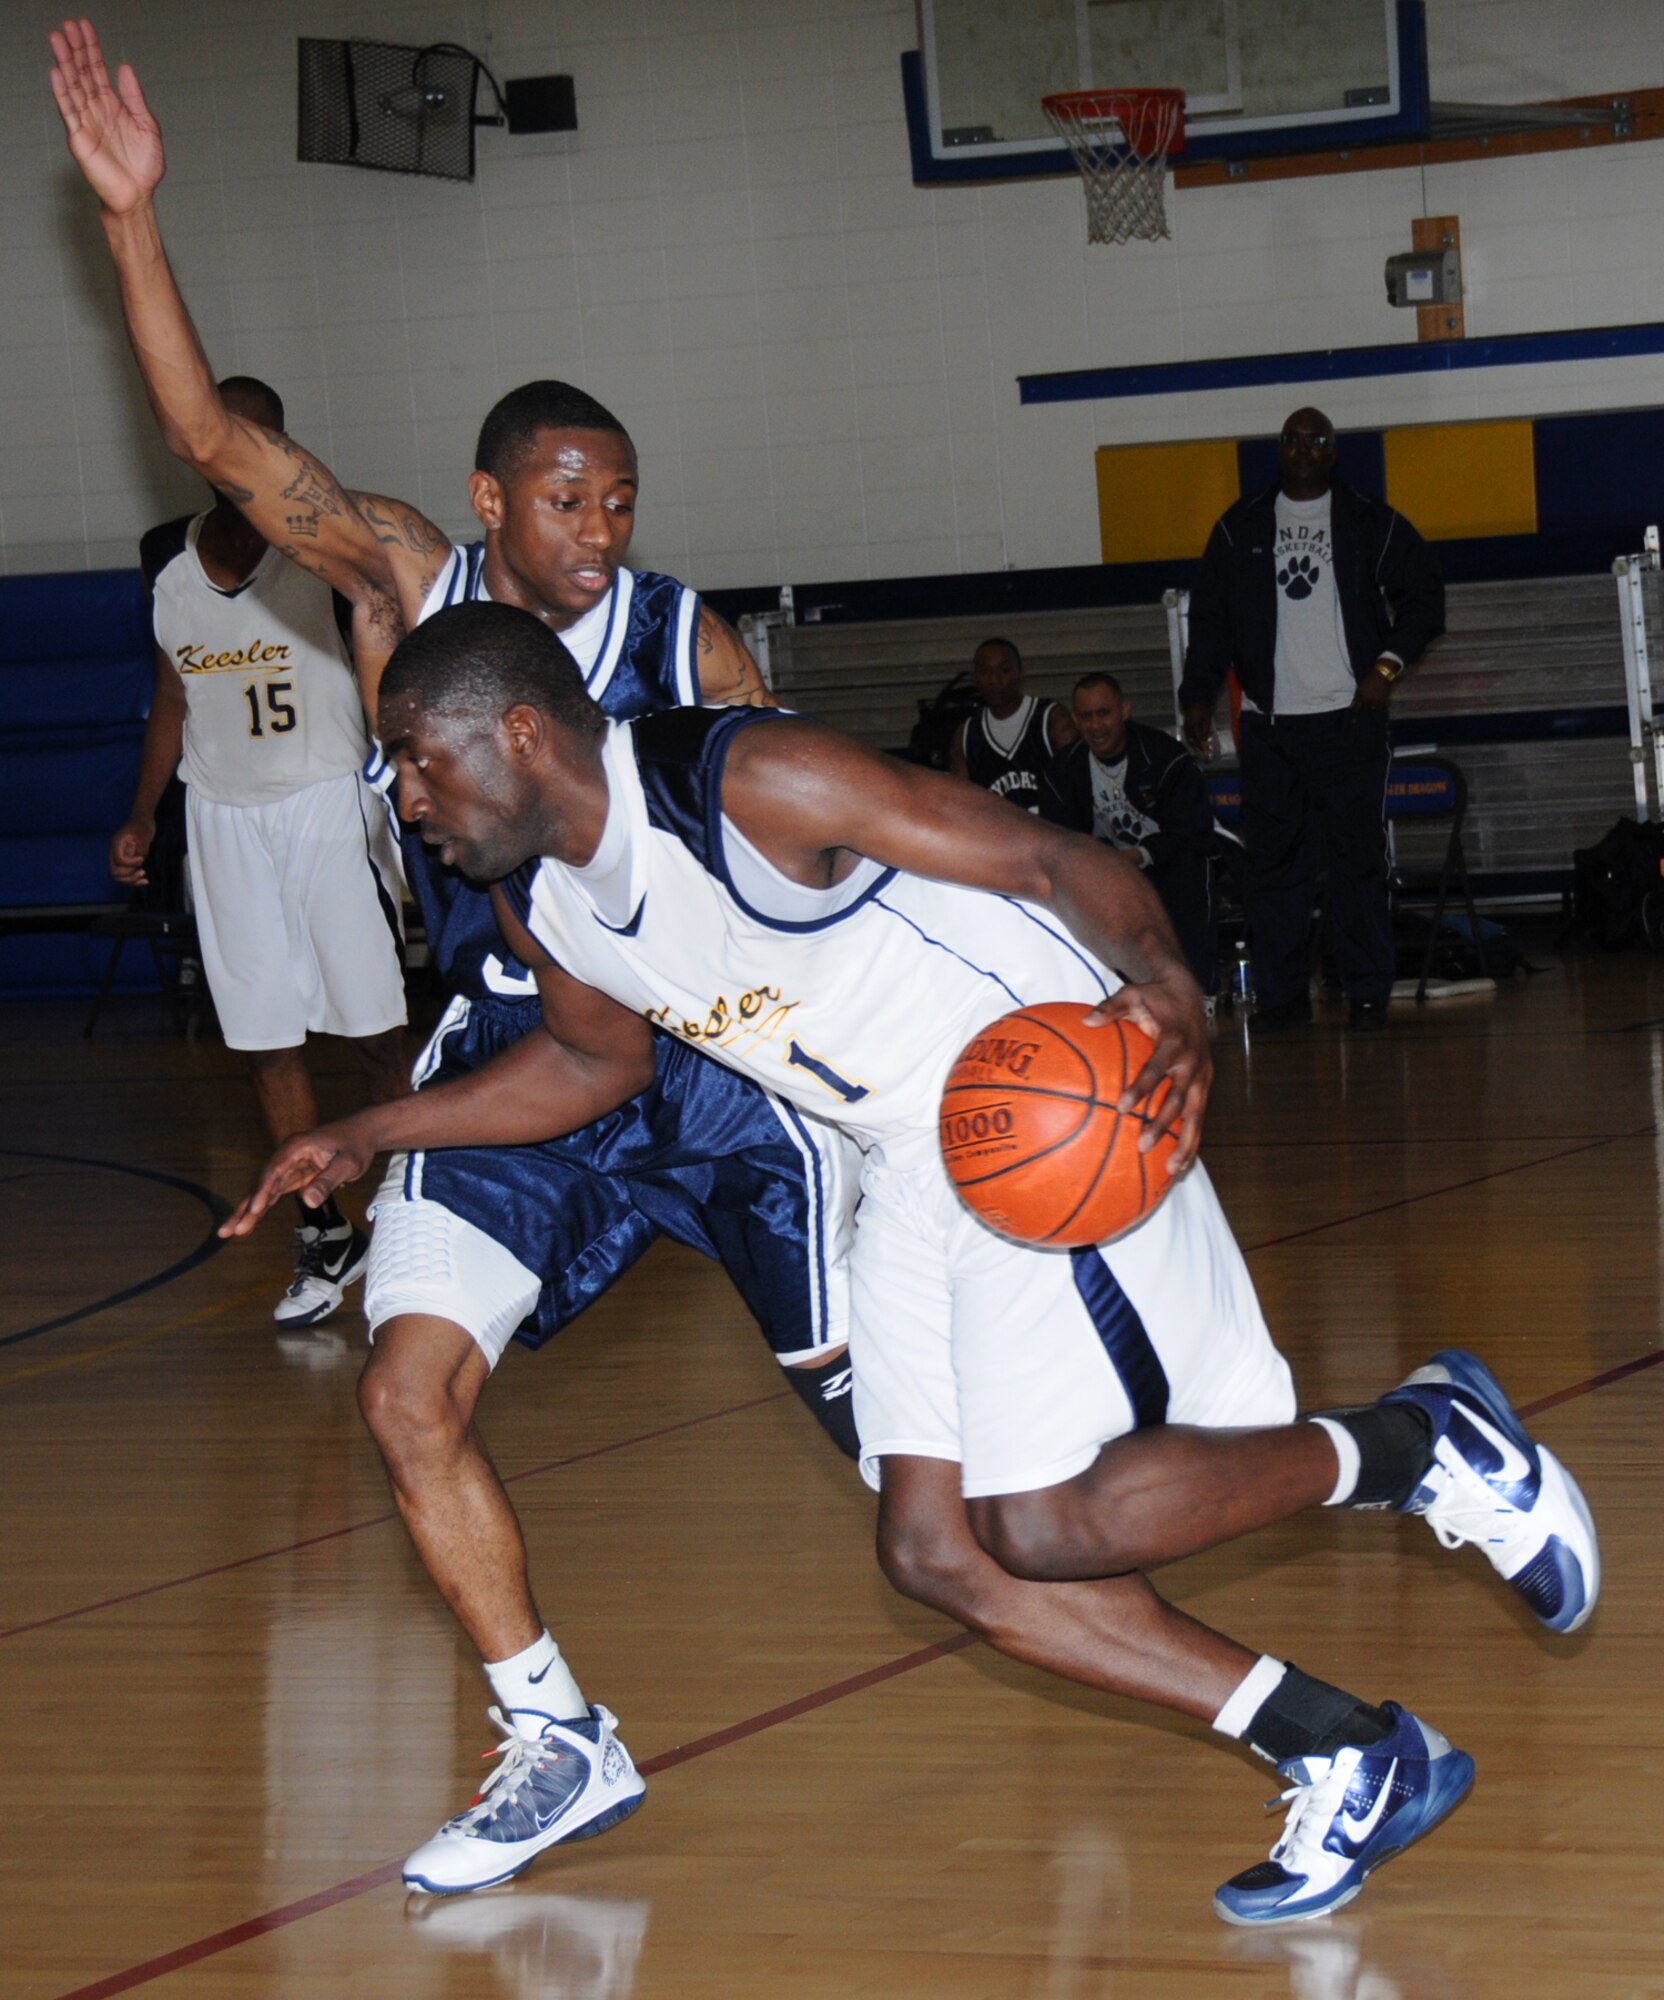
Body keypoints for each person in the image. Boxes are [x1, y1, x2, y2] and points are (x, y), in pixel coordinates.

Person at [228, 601, 1599, 1927]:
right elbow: (594, 1063)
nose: (403, 793)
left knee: (1046, 1523)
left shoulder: (749, 779)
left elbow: (1047, 859)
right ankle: (1353, 1753)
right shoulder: (552, 902)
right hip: (901, 1149)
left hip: (1039, 1087)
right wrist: (367, 1129)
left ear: (522, 732)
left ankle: (1426, 1445)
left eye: (416, 755)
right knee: (939, 1550)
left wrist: (1173, 991)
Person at [52, 15, 858, 1897]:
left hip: (714, 1074)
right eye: (568, 499)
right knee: (406, 1393)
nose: (601, 529)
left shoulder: (697, 649)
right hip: (513, 1065)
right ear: (494, 505)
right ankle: (550, 1731)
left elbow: (809, 877)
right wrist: (134, 224)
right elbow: (212, 441)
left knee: (917, 1478)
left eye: (621, 500)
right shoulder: (418, 582)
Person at [114, 372, 408, 1328]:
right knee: (263, 1040)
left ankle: (423, 1205)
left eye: (263, 440)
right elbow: (171, 701)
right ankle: (327, 1231)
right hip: (221, 817)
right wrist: (145, 813)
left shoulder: (327, 554)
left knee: (375, 1031)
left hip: (325, 803)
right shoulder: (169, 573)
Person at [1178, 409, 1445, 1033]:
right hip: (1270, 724)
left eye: (1316, 441)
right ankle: (1281, 998)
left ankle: (1367, 993)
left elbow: (1426, 598)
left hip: (1348, 719)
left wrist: (1386, 666)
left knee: (1357, 860)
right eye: (1292, 440)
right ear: (1280, 450)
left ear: (1333, 453)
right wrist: (1197, 697)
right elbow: (1211, 621)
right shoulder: (1239, 526)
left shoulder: (1367, 521)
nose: (1303, 449)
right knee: (1274, 866)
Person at [1040, 672, 1220, 994]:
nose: (1095, 726)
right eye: (1086, 716)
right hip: (1104, 867)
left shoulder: (1167, 757)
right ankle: (1096, 993)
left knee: (1192, 869)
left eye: (1104, 713)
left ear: (1124, 710)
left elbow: (1191, 829)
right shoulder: (1062, 770)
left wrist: (1136, 856)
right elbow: (1059, 839)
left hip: (1168, 859)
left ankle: (1198, 992)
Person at [948, 636, 1074, 809]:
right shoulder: (966, 735)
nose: (995, 679)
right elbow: (961, 806)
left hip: (1050, 833)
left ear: (1021, 674)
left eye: (1004, 670)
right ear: (975, 678)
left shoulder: (1052, 718)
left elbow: (1079, 787)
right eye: (985, 672)